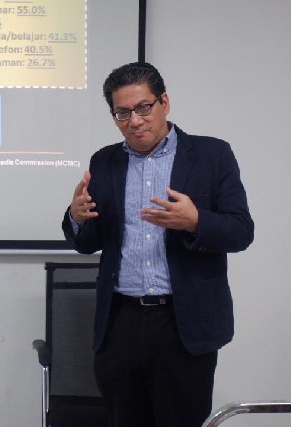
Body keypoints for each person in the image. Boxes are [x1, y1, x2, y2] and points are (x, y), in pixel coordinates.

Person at [62, 62, 254, 427]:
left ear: (164, 102)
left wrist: (195, 221)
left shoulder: (212, 156)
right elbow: (88, 243)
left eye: (143, 107)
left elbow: (241, 231)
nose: (134, 121)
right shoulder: (105, 161)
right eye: (122, 113)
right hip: (120, 322)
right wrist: (76, 216)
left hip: (183, 324)